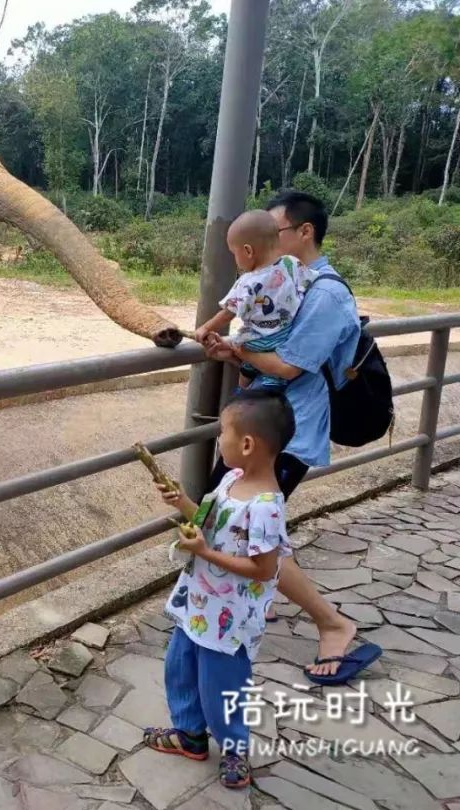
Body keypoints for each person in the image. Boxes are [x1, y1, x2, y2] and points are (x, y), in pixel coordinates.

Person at [202, 190, 374, 684]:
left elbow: (287, 365)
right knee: (227, 514)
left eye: (275, 230)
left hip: (288, 431)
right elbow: (265, 348)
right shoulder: (284, 284)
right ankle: (266, 593)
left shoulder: (325, 294)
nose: (265, 240)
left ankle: (332, 623)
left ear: (304, 233)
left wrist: (236, 346)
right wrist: (233, 352)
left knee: (252, 528)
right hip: (264, 424)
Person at [145, 391, 293, 788]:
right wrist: (184, 504)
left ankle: (234, 747)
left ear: (247, 444)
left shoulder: (266, 507)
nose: (219, 439)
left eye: (223, 432)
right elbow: (208, 521)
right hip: (198, 602)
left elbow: (262, 569)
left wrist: (205, 552)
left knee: (223, 685)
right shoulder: (230, 479)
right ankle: (190, 734)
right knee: (181, 667)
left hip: (230, 619)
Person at [195, 210, 316, 391]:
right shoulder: (292, 263)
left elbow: (228, 313)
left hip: (257, 343)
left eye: (234, 254)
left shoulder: (248, 282)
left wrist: (205, 328)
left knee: (244, 363)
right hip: (286, 338)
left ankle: (244, 390)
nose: (236, 260)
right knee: (272, 382)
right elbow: (310, 283)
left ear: (248, 251)